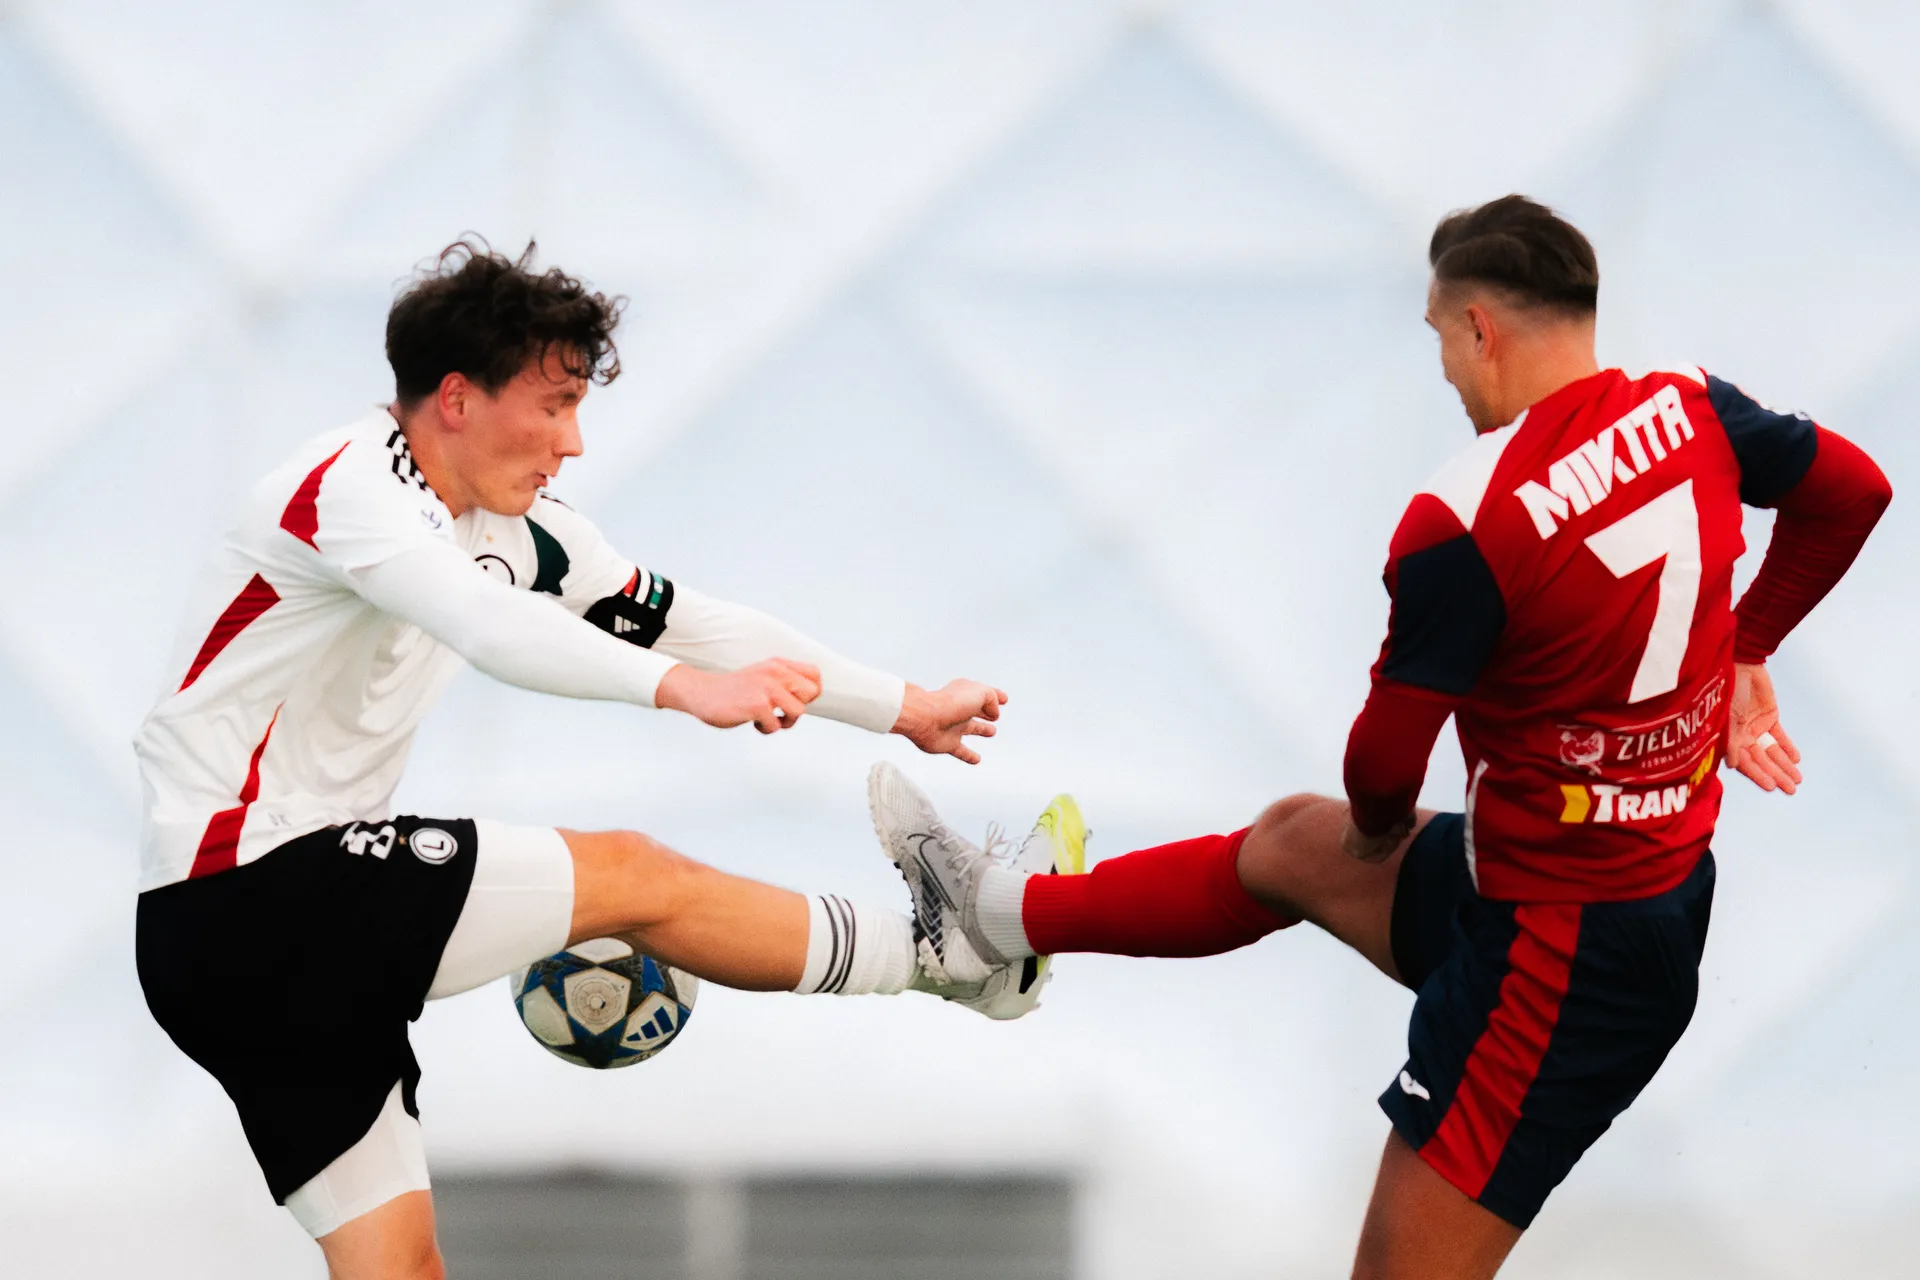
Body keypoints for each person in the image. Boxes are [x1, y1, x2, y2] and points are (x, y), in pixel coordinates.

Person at [869, 196, 1893, 1279]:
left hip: (1552, 965)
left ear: (1481, 329)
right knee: (1289, 846)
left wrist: (1376, 825)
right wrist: (1745, 645)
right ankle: (992, 921)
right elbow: (1853, 491)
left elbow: (1382, 769)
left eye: (1440, 337)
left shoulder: (1466, 515)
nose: (1446, 369)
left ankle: (991, 930)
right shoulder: (1695, 408)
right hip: (1628, 890)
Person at [133, 240, 1066, 1280]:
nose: (572, 442)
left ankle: (953, 960)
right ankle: (942, 956)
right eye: (555, 404)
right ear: (456, 397)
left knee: (401, 1270)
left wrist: (906, 707)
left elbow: (693, 621)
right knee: (634, 874)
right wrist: (681, 692)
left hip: (248, 951)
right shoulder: (349, 489)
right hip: (249, 888)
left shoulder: (521, 526)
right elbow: (490, 624)